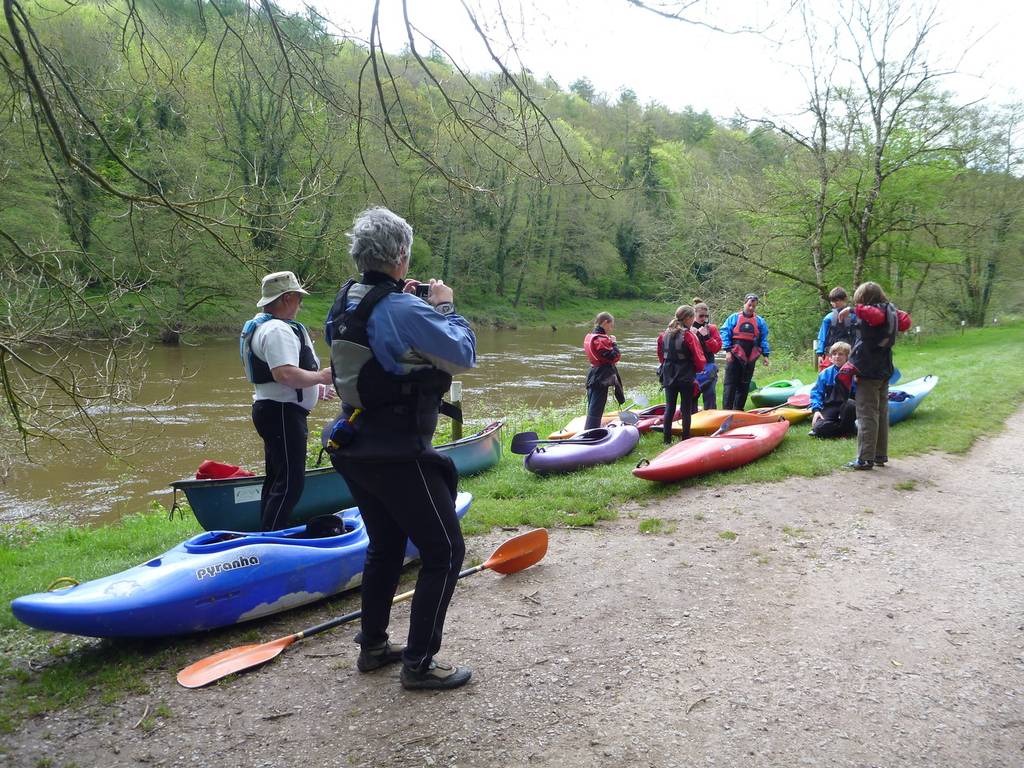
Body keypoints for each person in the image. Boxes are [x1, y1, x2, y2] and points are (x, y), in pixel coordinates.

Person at [324, 207, 477, 690]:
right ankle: (419, 664)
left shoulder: (345, 300)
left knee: (386, 545)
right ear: (402, 257)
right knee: (446, 551)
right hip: (397, 449)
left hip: (351, 442)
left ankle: (372, 648)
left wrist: (411, 307)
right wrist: (446, 308)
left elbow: (380, 338)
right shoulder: (406, 309)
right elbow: (463, 355)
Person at [240, 270, 335, 532]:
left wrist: (316, 388)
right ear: (287, 298)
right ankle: (271, 540)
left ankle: (268, 534)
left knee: (277, 479)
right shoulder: (278, 330)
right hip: (281, 413)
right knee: (291, 483)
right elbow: (284, 374)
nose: (301, 304)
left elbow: (282, 377)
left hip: (273, 409)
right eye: (298, 298)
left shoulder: (264, 325)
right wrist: (322, 377)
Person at [841, 281, 911, 470]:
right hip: (884, 369)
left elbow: (870, 314)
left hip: (868, 370)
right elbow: (906, 321)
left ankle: (864, 458)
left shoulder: (874, 313)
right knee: (881, 413)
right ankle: (879, 455)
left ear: (863, 299)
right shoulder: (890, 311)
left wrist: (853, 310)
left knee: (866, 414)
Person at [657, 306, 705, 443]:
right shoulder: (689, 335)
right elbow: (698, 357)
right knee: (686, 407)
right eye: (693, 318)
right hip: (685, 373)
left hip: (668, 372)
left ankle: (666, 439)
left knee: (670, 407)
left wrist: (667, 367)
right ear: (688, 318)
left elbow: (661, 356)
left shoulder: (663, 335)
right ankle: (685, 438)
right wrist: (698, 369)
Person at [719, 293, 770, 411]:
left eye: (754, 306)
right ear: (744, 304)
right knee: (730, 383)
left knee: (744, 384)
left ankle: (738, 409)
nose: (751, 308)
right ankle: (727, 409)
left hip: (750, 356)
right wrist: (727, 351)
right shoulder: (733, 318)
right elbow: (725, 333)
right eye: (749, 305)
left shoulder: (760, 321)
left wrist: (766, 355)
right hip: (735, 355)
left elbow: (763, 339)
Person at [583, 312, 625, 430]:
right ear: (605, 323)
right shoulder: (601, 339)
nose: (612, 327)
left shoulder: (591, 336)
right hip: (601, 376)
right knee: (597, 406)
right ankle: (591, 432)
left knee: (593, 404)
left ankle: (590, 429)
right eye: (611, 325)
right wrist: (614, 343)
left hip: (593, 373)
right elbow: (614, 357)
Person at [808, 342, 857, 438]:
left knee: (850, 404)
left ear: (847, 356)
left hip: (848, 407)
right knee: (818, 427)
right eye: (834, 354)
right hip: (831, 407)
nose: (837, 357)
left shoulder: (854, 373)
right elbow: (817, 393)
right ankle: (847, 430)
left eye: (840, 354)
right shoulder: (825, 374)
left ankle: (844, 429)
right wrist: (816, 410)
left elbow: (860, 394)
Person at [691, 298, 722, 410]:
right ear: (694, 315)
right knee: (691, 398)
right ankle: (691, 420)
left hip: (709, 367)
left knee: (710, 396)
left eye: (706, 316)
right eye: (701, 316)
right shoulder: (688, 329)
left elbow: (716, 348)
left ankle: (711, 419)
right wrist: (692, 336)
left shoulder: (711, 329)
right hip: (692, 369)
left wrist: (707, 337)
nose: (704, 319)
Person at [815, 287, 857, 370]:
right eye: (832, 301)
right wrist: (820, 354)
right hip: (831, 352)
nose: (834, 303)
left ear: (844, 299)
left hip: (850, 352)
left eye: (837, 300)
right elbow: (822, 337)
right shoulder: (828, 318)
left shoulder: (854, 316)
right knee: (826, 373)